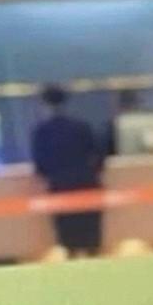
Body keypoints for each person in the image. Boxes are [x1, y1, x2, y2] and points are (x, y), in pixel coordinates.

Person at [30, 84, 103, 257]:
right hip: (87, 185)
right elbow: (99, 156)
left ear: (44, 104)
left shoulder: (41, 132)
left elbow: (40, 165)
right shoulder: (82, 127)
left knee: (68, 239)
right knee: (90, 236)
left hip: (60, 188)